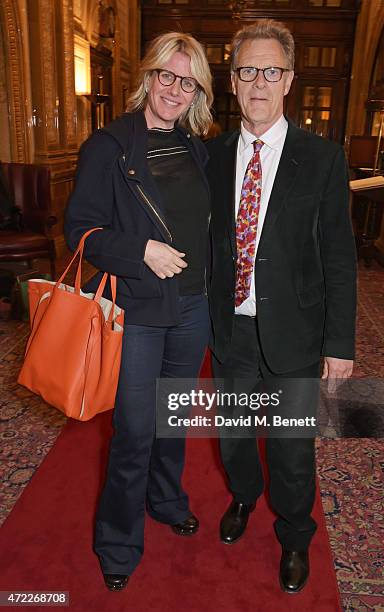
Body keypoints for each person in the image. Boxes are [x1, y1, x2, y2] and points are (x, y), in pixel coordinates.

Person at [206, 19, 356, 594]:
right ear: (234, 80)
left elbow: (340, 258)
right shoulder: (214, 156)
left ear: (289, 80)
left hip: (295, 334)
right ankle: (243, 499)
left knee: (291, 450)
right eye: (248, 70)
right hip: (232, 332)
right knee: (235, 438)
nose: (259, 82)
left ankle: (295, 534)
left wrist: (338, 345)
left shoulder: (322, 159)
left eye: (271, 70)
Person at [64, 32, 213, 591]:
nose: (175, 89)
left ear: (197, 90)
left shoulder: (198, 147)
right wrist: (139, 250)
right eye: (166, 76)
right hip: (139, 308)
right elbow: (80, 232)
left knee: (173, 420)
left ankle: (167, 499)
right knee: (134, 430)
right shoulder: (109, 144)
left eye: (187, 80)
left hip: (193, 307)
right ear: (148, 77)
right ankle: (118, 539)